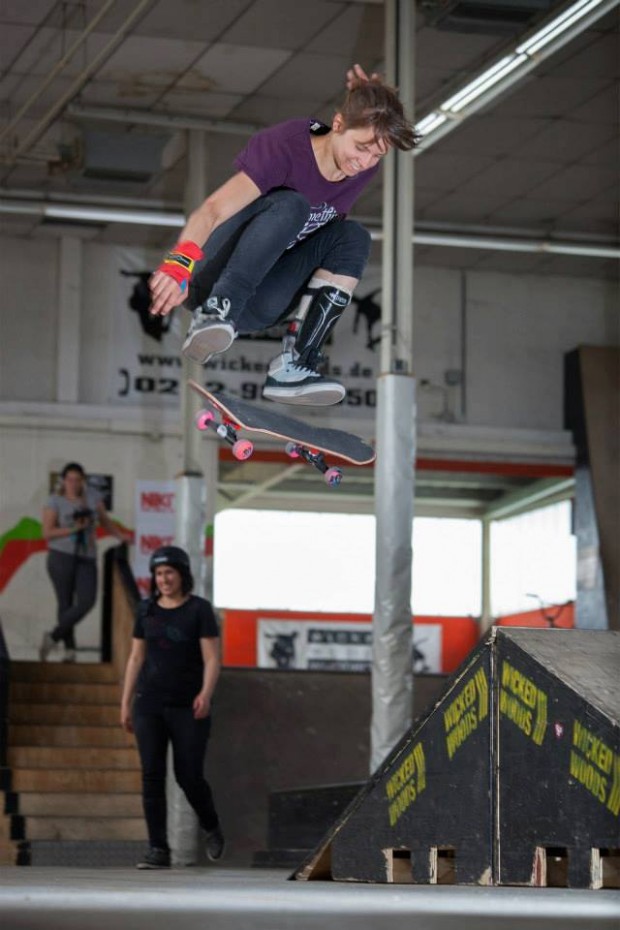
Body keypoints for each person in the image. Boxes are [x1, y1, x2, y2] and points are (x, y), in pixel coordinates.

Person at [149, 64, 418, 406]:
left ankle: (296, 364)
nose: (364, 163)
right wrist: (179, 264)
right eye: (361, 148)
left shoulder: (362, 168)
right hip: (213, 278)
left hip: (262, 303)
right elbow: (212, 209)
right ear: (337, 124)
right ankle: (216, 311)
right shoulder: (286, 146)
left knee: (353, 237)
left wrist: (371, 99)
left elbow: (365, 131)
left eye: (377, 155)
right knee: (293, 205)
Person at [120, 545, 223, 870]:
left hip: (188, 706)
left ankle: (211, 825)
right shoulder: (146, 610)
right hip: (149, 704)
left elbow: (212, 658)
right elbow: (136, 657)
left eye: (169, 573)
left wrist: (206, 693)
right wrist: (125, 702)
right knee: (151, 775)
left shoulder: (199, 610)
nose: (163, 579)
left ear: (182, 575)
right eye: (158, 574)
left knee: (188, 775)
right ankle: (157, 849)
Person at [40, 462, 129, 662]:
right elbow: (47, 532)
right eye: (69, 479)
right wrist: (74, 528)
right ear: (64, 481)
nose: (73, 484)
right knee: (65, 602)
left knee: (87, 601)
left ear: (83, 481)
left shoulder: (92, 498)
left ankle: (53, 636)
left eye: (77, 480)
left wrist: (119, 535)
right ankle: (70, 649)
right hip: (61, 555)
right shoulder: (55, 500)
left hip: (87, 556)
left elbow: (105, 521)